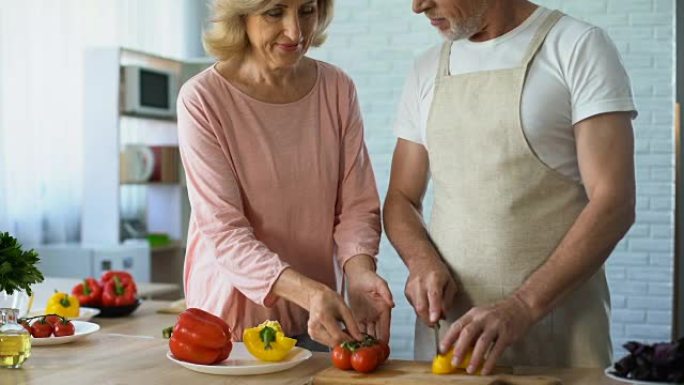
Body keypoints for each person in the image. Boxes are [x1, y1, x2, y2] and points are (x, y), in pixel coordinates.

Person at [384, 0, 636, 373]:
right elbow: (401, 198)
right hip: (454, 337)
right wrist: (420, 260)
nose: (418, 6)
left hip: (559, 338)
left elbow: (614, 202)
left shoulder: (577, 46)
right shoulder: (426, 70)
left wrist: (522, 306)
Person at [177, 0, 394, 351]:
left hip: (319, 319)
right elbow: (224, 231)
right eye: (275, 12)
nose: (296, 31)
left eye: (307, 11)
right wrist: (310, 292)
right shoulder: (202, 99)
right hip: (231, 328)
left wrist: (359, 273)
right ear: (240, 16)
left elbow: (356, 206)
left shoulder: (337, 88)